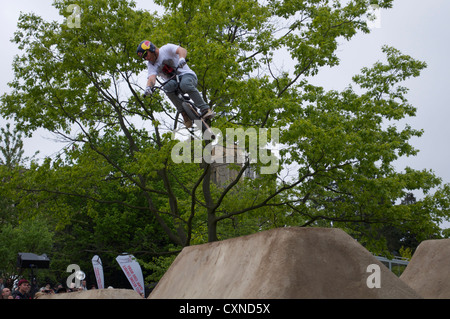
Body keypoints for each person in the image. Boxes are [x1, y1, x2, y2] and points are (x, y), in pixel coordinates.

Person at [136, 40, 214, 128]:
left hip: (186, 75)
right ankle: (185, 114)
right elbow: (151, 77)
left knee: (185, 85)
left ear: (151, 49)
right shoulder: (151, 65)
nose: (146, 58)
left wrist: (181, 58)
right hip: (173, 82)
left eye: (146, 54)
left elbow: (182, 50)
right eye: (143, 57)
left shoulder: (166, 49)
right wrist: (148, 87)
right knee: (166, 87)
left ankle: (205, 109)